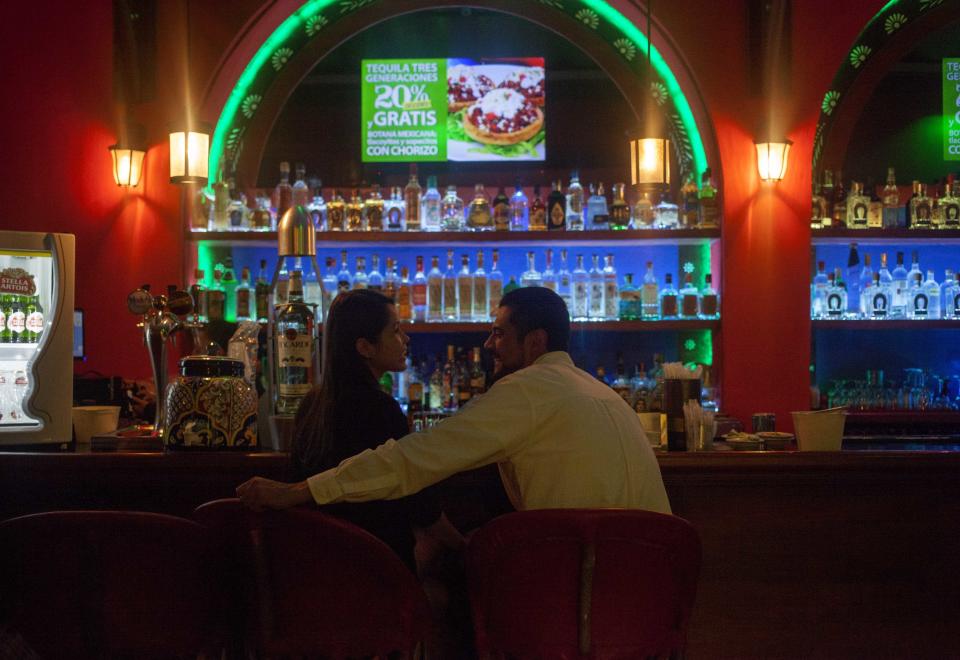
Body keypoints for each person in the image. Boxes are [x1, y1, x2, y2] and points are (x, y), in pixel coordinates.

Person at [238, 286, 670, 515]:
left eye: (499, 333)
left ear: (535, 342)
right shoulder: (609, 397)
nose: (488, 344)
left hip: (572, 597)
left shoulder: (526, 391)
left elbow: (416, 458)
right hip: (652, 603)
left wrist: (301, 491)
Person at [285, 289, 462, 572]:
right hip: (378, 570)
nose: (405, 339)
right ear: (365, 347)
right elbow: (420, 504)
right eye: (395, 331)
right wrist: (465, 545)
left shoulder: (312, 405)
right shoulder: (380, 409)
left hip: (319, 567)